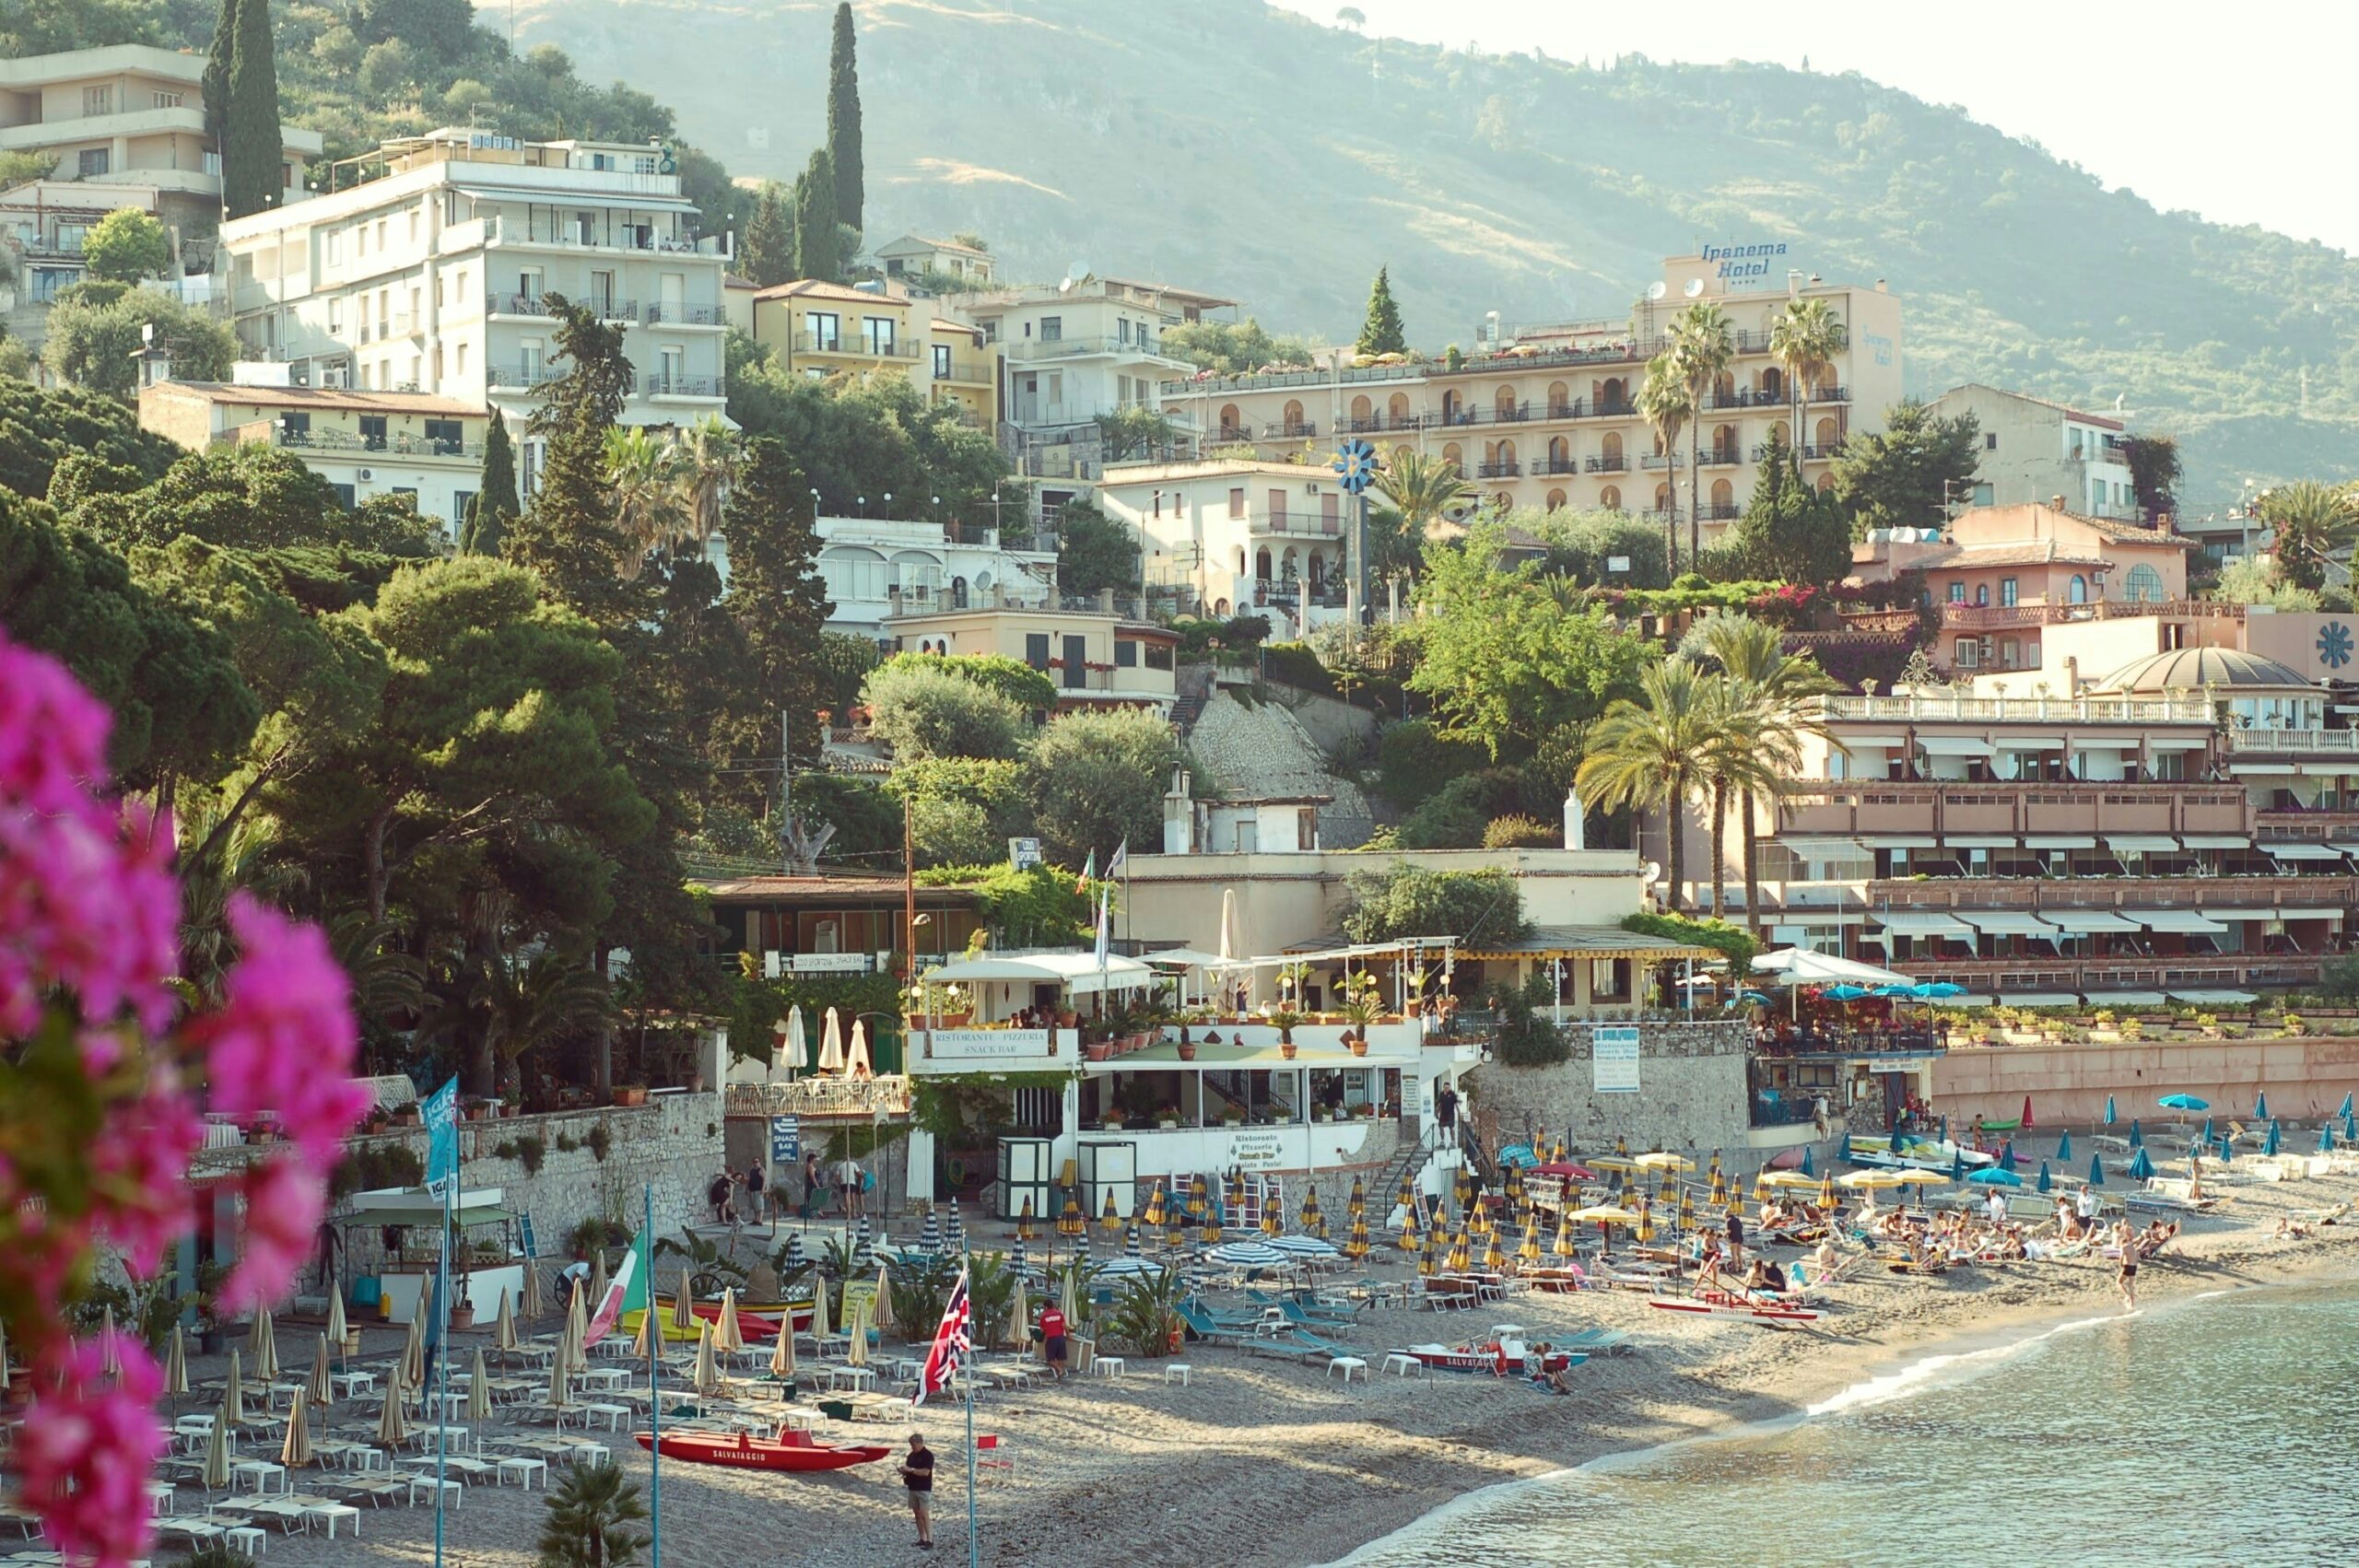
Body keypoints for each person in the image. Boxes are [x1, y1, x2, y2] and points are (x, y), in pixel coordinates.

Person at [899, 1432, 935, 1549]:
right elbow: (910, 1470)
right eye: (911, 1445)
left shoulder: (928, 1456)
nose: (913, 1447)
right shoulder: (911, 1456)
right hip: (913, 1487)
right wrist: (904, 1471)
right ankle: (922, 1538)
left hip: (924, 1488)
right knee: (917, 1514)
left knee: (924, 1514)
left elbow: (925, 1472)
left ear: (920, 1443)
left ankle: (930, 1540)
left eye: (914, 1445)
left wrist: (910, 1470)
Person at [1039, 1300, 1067, 1379]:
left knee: (1050, 1359)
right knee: (1060, 1358)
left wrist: (1046, 1330)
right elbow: (1064, 1326)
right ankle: (1060, 1376)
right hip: (1061, 1338)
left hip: (1052, 1338)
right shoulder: (1059, 1313)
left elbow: (1042, 1329)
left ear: (1045, 1307)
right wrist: (1068, 1335)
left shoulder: (1044, 1316)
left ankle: (1059, 1369)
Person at [745, 1160, 770, 1234]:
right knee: (754, 1205)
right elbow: (749, 1180)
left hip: (759, 1190)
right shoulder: (752, 1171)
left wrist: (763, 1189)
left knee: (759, 1205)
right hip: (752, 1190)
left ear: (759, 1162)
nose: (755, 1163)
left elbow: (765, 1179)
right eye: (754, 1162)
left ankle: (760, 1220)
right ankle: (756, 1219)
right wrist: (747, 1189)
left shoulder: (761, 1170)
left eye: (757, 1161)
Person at [802, 1150, 825, 1219]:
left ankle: (820, 1213)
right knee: (813, 1199)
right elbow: (812, 1177)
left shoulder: (812, 1166)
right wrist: (817, 1185)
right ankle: (814, 1214)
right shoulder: (810, 1166)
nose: (815, 1160)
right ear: (811, 1159)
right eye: (814, 1159)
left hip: (815, 1185)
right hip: (813, 1186)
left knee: (818, 1199)